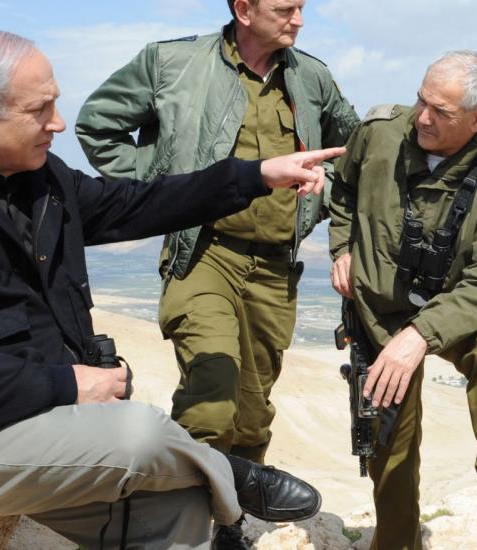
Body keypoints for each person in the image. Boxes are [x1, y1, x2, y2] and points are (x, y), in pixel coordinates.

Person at [0, 27, 345, 550]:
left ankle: (212, 493)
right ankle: (230, 477)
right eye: (40, 110)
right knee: (139, 434)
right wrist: (69, 386)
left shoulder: (42, 182)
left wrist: (257, 175)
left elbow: (139, 204)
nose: (58, 124)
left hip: (39, 427)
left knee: (175, 502)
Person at [76, 1, 358, 515]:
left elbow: (353, 154)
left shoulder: (312, 77)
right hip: (202, 253)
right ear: (244, 9)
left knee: (251, 415)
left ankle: (230, 519)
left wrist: (325, 189)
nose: (298, 19)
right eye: (284, 8)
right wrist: (161, 185)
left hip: (275, 267)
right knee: (211, 397)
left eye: (301, 7)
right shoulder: (169, 63)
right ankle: (176, 522)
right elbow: (97, 127)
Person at [329, 51, 477, 550]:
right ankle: (398, 541)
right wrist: (342, 248)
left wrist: (422, 334)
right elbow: (342, 189)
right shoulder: (381, 131)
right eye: (421, 99)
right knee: (389, 439)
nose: (422, 117)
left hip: (456, 310)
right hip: (380, 308)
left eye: (440, 111)